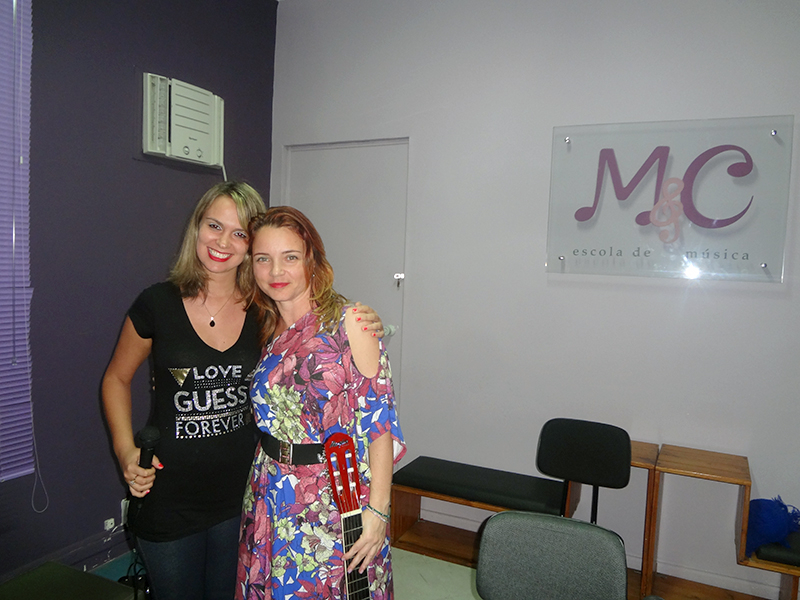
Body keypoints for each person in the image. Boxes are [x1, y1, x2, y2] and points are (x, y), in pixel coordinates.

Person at [102, 182, 384, 600]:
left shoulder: (265, 311)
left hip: (245, 497)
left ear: (251, 247)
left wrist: (360, 317)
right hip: (170, 496)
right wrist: (126, 451)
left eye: (239, 234)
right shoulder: (156, 304)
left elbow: (322, 334)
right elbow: (116, 379)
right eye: (214, 226)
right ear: (196, 227)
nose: (222, 242)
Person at [236, 206, 406, 600]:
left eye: (290, 257)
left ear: (311, 260)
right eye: (263, 259)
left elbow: (379, 423)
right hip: (269, 490)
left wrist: (378, 512)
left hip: (334, 496)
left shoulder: (351, 323)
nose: (276, 271)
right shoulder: (267, 329)